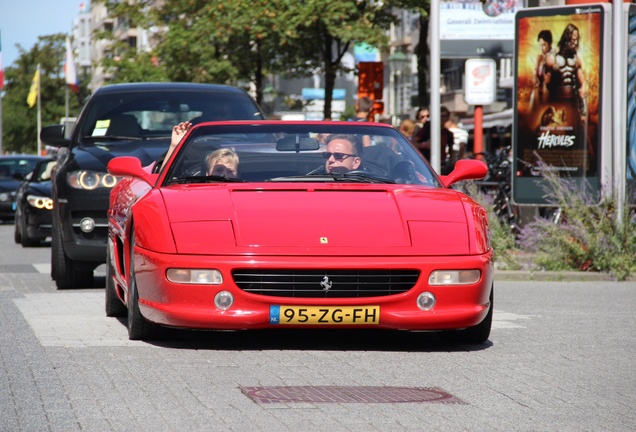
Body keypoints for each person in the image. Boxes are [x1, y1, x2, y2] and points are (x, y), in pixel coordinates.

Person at [530, 30, 554, 110]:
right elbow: (535, 74)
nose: (542, 48)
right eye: (540, 45)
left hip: (550, 93)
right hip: (539, 91)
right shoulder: (539, 57)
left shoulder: (553, 56)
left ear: (549, 44)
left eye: (544, 45)